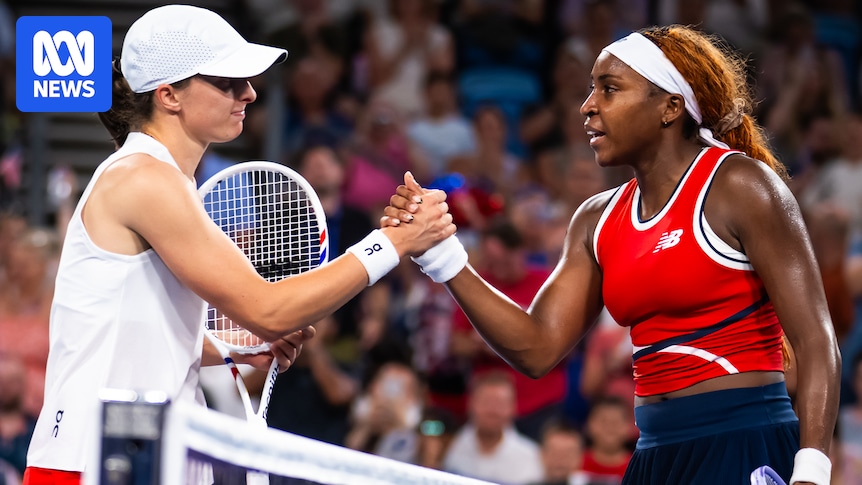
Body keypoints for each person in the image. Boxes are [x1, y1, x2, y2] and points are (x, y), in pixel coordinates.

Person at [385, 24, 841, 485]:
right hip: (652, 457)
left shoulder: (741, 186)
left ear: (670, 107)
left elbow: (817, 341)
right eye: (590, 90)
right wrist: (444, 254)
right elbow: (537, 347)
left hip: (745, 444)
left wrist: (812, 471)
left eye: (610, 89)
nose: (588, 106)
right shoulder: (595, 219)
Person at [23, 5, 456, 484]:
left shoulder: (162, 180)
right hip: (94, 462)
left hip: (150, 457)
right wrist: (391, 243)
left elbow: (145, 328)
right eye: (227, 81)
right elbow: (268, 310)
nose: (249, 92)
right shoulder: (143, 179)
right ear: (169, 95)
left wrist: (234, 349)